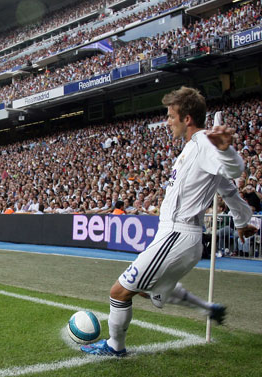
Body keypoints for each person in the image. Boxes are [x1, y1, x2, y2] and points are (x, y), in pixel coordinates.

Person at [81, 87, 258, 357]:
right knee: (144, 290)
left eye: (170, 116)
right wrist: (242, 219)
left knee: (119, 292)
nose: (167, 121)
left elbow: (234, 170)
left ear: (186, 118)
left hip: (179, 235)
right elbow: (228, 189)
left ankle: (115, 347)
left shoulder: (204, 145)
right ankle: (206, 308)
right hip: (175, 237)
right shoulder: (191, 149)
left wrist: (227, 150)